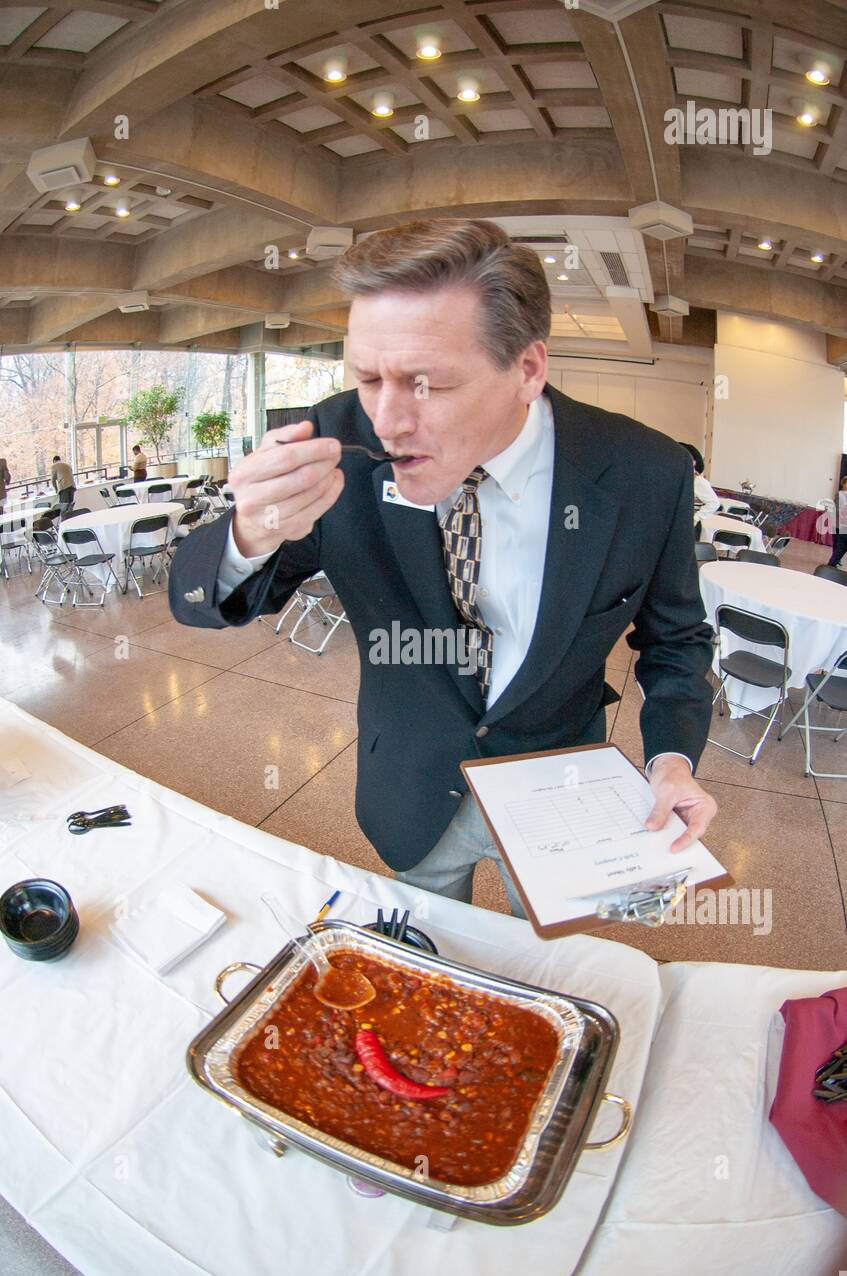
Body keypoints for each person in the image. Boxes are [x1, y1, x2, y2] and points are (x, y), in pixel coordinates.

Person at [169, 218, 717, 914]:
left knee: (548, 967)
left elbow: (674, 641)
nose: (389, 420)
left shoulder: (645, 472)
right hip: (410, 786)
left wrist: (670, 761)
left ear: (526, 369)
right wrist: (251, 530)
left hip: (561, 794)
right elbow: (204, 603)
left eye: (426, 383)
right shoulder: (339, 437)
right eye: (368, 377)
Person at [681, 442, 720, 517]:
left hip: (689, 524)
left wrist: (695, 519)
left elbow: (714, 503)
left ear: (693, 462)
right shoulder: (684, 478)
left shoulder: (698, 481)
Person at [829, 465, 847, 569]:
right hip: (837, 523)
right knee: (837, 544)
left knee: (839, 545)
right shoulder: (840, 495)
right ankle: (833, 562)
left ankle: (835, 560)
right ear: (843, 484)